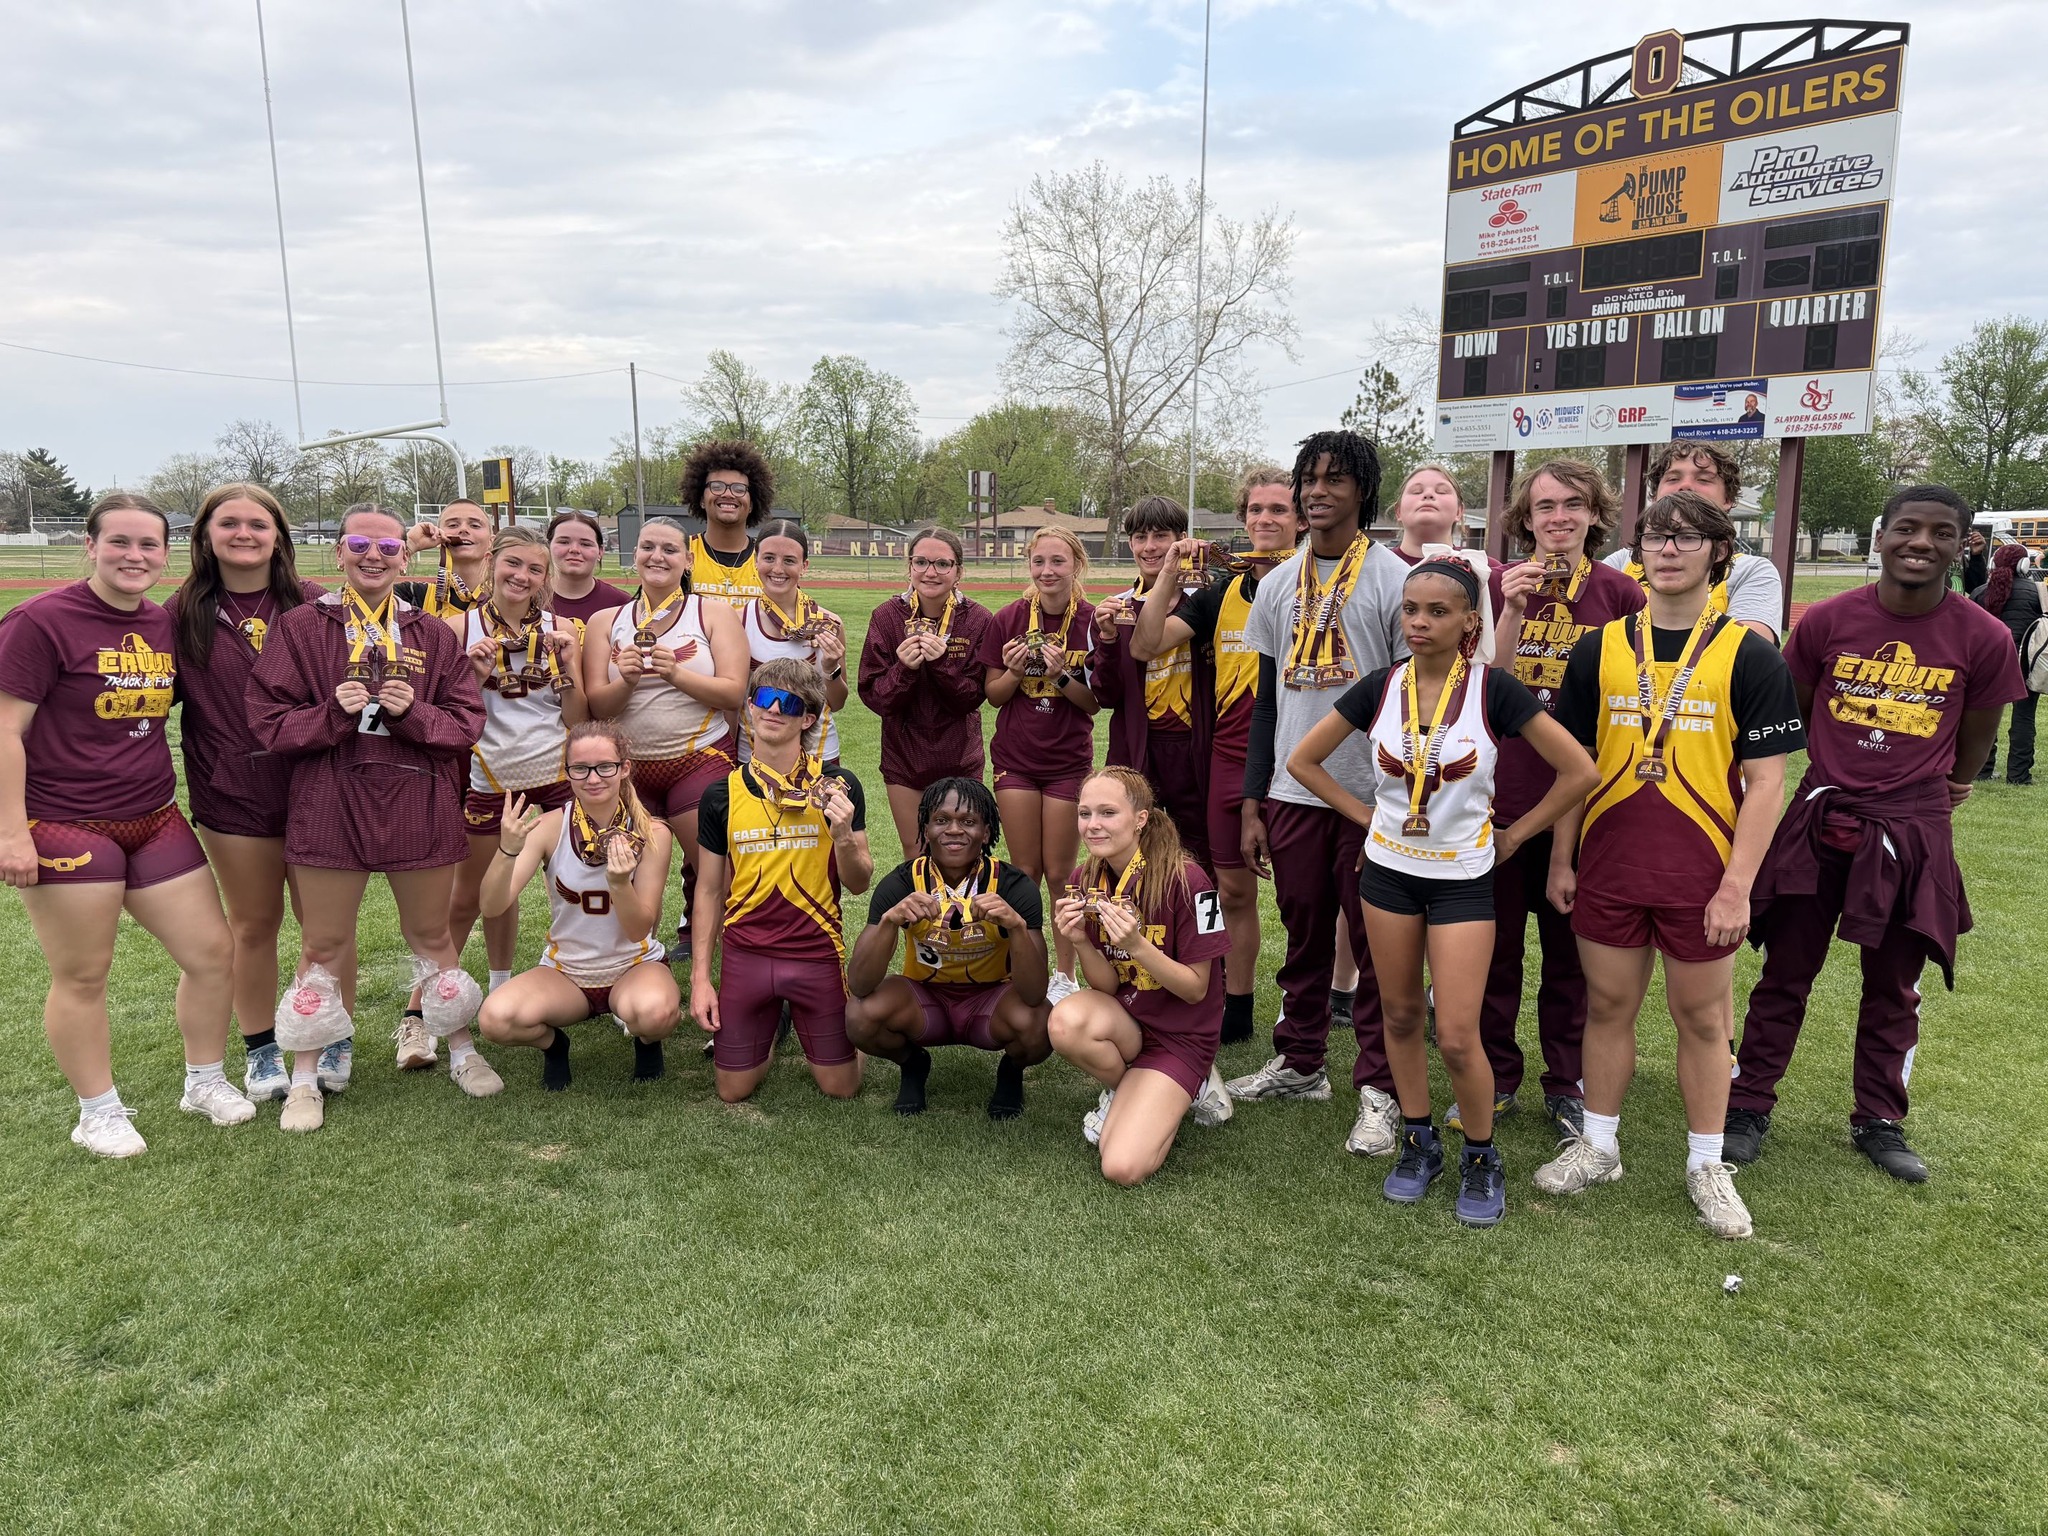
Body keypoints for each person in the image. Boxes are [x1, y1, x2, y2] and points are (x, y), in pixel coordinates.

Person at [1726, 487, 2026, 1183]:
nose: (1921, 542)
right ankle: (1747, 1103)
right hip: (1822, 817)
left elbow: (1975, 743)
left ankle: (1880, 1118)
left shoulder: (1982, 636)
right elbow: (1793, 714)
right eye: (1907, 528)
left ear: (1961, 545)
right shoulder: (1829, 621)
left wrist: (1928, 793)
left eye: (1940, 532)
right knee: (1785, 972)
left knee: (1894, 983)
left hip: (1911, 832)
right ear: (1883, 536)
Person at [1289, 556, 1597, 1226]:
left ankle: (1482, 1157)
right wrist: (1365, 815)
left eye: (1437, 611)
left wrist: (1515, 839)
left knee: (1457, 1035)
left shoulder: (1495, 692)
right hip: (1389, 874)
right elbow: (1302, 761)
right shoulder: (1380, 685)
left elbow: (1579, 770)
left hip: (1464, 879)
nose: (1420, 622)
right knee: (1398, 1016)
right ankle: (1418, 1141)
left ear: (1468, 621)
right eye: (1410, 610)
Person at [1537, 489, 1804, 1239]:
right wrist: (1563, 859)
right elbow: (1577, 764)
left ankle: (1706, 1163)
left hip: (1702, 872)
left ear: (1720, 552)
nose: (1669, 549)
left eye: (1688, 538)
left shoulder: (1748, 652)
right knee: (1608, 1008)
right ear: (1639, 549)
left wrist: (1736, 886)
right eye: (1656, 536)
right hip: (1611, 864)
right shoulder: (1600, 645)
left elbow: (1768, 782)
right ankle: (1598, 1146)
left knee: (1701, 1017)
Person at [0, 493, 255, 1156]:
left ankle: (204, 1080)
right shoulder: (41, 621)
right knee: (84, 973)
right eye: (119, 542)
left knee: (211, 953)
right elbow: (5, 729)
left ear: (166, 555)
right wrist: (9, 832)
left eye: (148, 545)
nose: (134, 556)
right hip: (64, 822)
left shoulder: (163, 622)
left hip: (153, 816)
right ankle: (99, 1111)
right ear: (89, 546)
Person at [249, 503, 496, 1132]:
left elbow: (466, 723)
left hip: (419, 797)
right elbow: (270, 721)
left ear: (404, 556)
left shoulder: (434, 636)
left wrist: (412, 713)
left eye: (388, 547)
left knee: (433, 939)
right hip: (329, 798)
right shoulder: (303, 628)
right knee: (323, 945)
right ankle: (305, 1077)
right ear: (338, 552)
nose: (374, 556)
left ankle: (462, 1049)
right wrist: (332, 712)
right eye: (360, 543)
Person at [1228, 430, 1406, 1158]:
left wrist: (1396, 802)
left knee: (1374, 947)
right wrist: (1252, 799)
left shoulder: (1394, 578)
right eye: (1310, 479)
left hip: (1371, 795)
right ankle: (1301, 1063)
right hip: (1293, 793)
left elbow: (1411, 699)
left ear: (1363, 491)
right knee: (1303, 936)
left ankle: (1381, 1088)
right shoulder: (1276, 584)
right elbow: (1267, 703)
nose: (1317, 491)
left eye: (1335, 479)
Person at [1480, 458, 1645, 1141]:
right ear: (1524, 519)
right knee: (1493, 955)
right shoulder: (1492, 585)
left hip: (1585, 802)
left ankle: (1566, 1082)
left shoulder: (1620, 594)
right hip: (1498, 797)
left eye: (1573, 504)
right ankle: (1495, 1077)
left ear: (1595, 515)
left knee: (1570, 954)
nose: (1558, 517)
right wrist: (1512, 609)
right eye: (1544, 505)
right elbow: (1484, 689)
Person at [1130, 465, 1304, 1043]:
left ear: (1302, 519)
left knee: (1309, 897)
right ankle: (1239, 1002)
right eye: (1256, 511)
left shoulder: (1324, 583)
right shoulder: (1221, 590)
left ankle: (1318, 1003)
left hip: (1307, 755)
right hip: (1233, 754)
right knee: (1232, 889)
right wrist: (1169, 574)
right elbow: (1145, 643)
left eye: (1279, 510)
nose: (1265, 520)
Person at [165, 482, 325, 1105]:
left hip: (315, 786)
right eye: (228, 523)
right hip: (232, 790)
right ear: (205, 534)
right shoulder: (179, 614)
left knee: (323, 931)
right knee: (254, 925)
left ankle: (326, 1034)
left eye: (258, 524)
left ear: (278, 536)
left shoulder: (313, 603)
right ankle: (261, 1050)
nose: (244, 534)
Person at [691, 658, 873, 1102]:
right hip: (746, 954)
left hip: (815, 952)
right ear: (750, 708)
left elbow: (859, 883)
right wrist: (700, 979)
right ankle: (769, 1025)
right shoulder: (721, 794)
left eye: (787, 702)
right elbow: (709, 890)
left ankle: (837, 1016)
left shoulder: (837, 787)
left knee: (841, 1088)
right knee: (733, 1091)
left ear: (808, 717)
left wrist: (845, 837)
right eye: (763, 698)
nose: (773, 710)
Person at [1047, 767, 1235, 1185]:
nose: (1092, 825)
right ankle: (1136, 1089)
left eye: (1108, 812)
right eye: (1084, 813)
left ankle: (1187, 1084)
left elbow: (1196, 989)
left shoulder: (1189, 880)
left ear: (1141, 819)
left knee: (1121, 1167)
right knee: (1064, 1021)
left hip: (1181, 1034)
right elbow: (1108, 987)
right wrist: (1079, 941)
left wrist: (1137, 945)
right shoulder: (1085, 879)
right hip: (1130, 1023)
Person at [475, 719, 680, 1088]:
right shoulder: (549, 827)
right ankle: (555, 1045)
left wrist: (619, 884)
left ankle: (646, 1042)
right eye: (580, 769)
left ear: (624, 769)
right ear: (566, 772)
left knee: (656, 1014)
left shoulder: (653, 831)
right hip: (566, 972)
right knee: (495, 1019)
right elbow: (491, 906)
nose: (593, 778)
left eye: (605, 767)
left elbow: (640, 929)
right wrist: (507, 849)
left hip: (632, 965)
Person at [582, 516, 748, 966]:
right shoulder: (605, 621)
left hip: (697, 759)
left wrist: (676, 673)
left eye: (669, 550)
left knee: (720, 875)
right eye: (647, 547)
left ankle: (746, 970)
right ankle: (635, 970)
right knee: (631, 876)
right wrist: (628, 681)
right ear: (633, 556)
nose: (657, 557)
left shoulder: (710, 613)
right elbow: (599, 707)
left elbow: (735, 691)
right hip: (629, 769)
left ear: (688, 560)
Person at [845, 777, 1051, 1118]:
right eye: (942, 820)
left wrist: (1015, 926)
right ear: (925, 830)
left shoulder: (1014, 885)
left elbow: (1034, 993)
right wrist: (889, 921)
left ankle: (1011, 1071)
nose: (954, 830)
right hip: (925, 999)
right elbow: (860, 985)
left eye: (968, 821)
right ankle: (913, 1064)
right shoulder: (902, 882)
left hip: (992, 1000)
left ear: (986, 832)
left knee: (1040, 1023)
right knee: (860, 1014)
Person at [448, 527, 586, 1003]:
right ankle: (428, 1005)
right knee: (477, 895)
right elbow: (447, 719)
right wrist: (472, 675)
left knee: (575, 884)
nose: (521, 576)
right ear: (491, 563)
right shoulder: (458, 629)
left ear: (545, 577)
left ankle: (595, 976)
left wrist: (567, 670)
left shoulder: (560, 630)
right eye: (513, 564)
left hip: (558, 780)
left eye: (534, 569)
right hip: (491, 780)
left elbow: (577, 716)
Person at [978, 527, 1099, 993]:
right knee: (1024, 869)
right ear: (1029, 566)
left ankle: (1065, 975)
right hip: (1017, 760)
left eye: (1058, 562)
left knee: (1061, 874)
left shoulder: (1089, 620)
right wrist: (1012, 671)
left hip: (1068, 762)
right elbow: (993, 696)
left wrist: (1061, 675)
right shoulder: (1009, 618)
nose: (1047, 571)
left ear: (1077, 565)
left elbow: (1093, 703)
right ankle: (1024, 964)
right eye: (1039, 562)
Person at [1092, 495, 1212, 869]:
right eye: (1140, 536)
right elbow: (1106, 695)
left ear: (1181, 538)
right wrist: (1108, 641)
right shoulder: (1117, 606)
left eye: (1160, 535)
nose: (1149, 547)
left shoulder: (1207, 600)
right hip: (1137, 745)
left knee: (1197, 853)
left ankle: (1193, 927)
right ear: (1129, 543)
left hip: (1193, 745)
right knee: (1129, 851)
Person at [857, 526, 992, 853]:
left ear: (959, 571)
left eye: (942, 564)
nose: (931, 572)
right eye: (921, 562)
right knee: (917, 852)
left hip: (960, 755)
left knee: (961, 851)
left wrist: (941, 663)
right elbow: (877, 698)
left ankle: (964, 908)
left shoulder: (977, 620)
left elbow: (971, 698)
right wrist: (905, 668)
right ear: (909, 566)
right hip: (904, 758)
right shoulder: (887, 617)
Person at [1603, 442, 1784, 641]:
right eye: (1673, 478)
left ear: (1728, 499)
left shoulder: (1751, 571)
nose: (1686, 486)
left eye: (1704, 479)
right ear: (1654, 497)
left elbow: (1747, 657)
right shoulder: (1621, 563)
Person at [740, 519, 847, 765]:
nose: (778, 568)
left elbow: (837, 703)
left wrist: (830, 669)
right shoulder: (739, 621)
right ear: (755, 561)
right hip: (754, 753)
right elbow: (733, 702)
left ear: (804, 566)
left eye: (789, 560)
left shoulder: (829, 623)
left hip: (818, 754)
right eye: (768, 558)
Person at [1969, 541, 2040, 784]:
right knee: (2024, 718)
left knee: (1984, 718)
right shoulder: (2037, 593)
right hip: (2024, 663)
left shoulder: (1980, 592)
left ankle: (1983, 770)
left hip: (1986, 664)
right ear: (2023, 565)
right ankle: (2019, 775)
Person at [679, 440, 770, 605]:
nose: (728, 494)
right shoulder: (680, 553)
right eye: (717, 486)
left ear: (752, 504)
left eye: (739, 489)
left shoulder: (768, 557)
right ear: (700, 499)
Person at [397, 498, 494, 618]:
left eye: (475, 525)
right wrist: (411, 544)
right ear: (438, 536)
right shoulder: (414, 596)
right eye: (453, 525)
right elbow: (370, 598)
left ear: (491, 541)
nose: (463, 529)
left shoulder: (508, 598)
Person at [544, 510, 632, 640]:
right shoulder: (529, 599)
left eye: (585, 544)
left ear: (600, 552)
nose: (574, 549)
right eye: (563, 542)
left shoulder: (622, 605)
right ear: (548, 546)